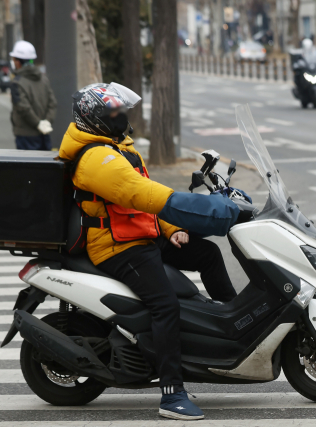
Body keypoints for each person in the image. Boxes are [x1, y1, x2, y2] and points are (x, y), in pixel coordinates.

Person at [59, 82, 238, 421]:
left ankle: (233, 329)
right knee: (165, 304)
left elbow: (142, 207)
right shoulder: (97, 157)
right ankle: (172, 393)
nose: (121, 117)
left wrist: (171, 230)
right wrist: (201, 209)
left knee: (208, 255)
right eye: (114, 113)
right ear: (94, 118)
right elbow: (141, 194)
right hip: (118, 246)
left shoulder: (116, 146)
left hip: (141, 235)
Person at [9, 40, 56, 150]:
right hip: (44, 134)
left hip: (25, 135)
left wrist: (37, 124)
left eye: (14, 59)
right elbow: (52, 103)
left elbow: (23, 108)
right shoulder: (43, 78)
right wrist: (46, 123)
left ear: (18, 61)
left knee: (27, 166)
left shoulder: (17, 82)